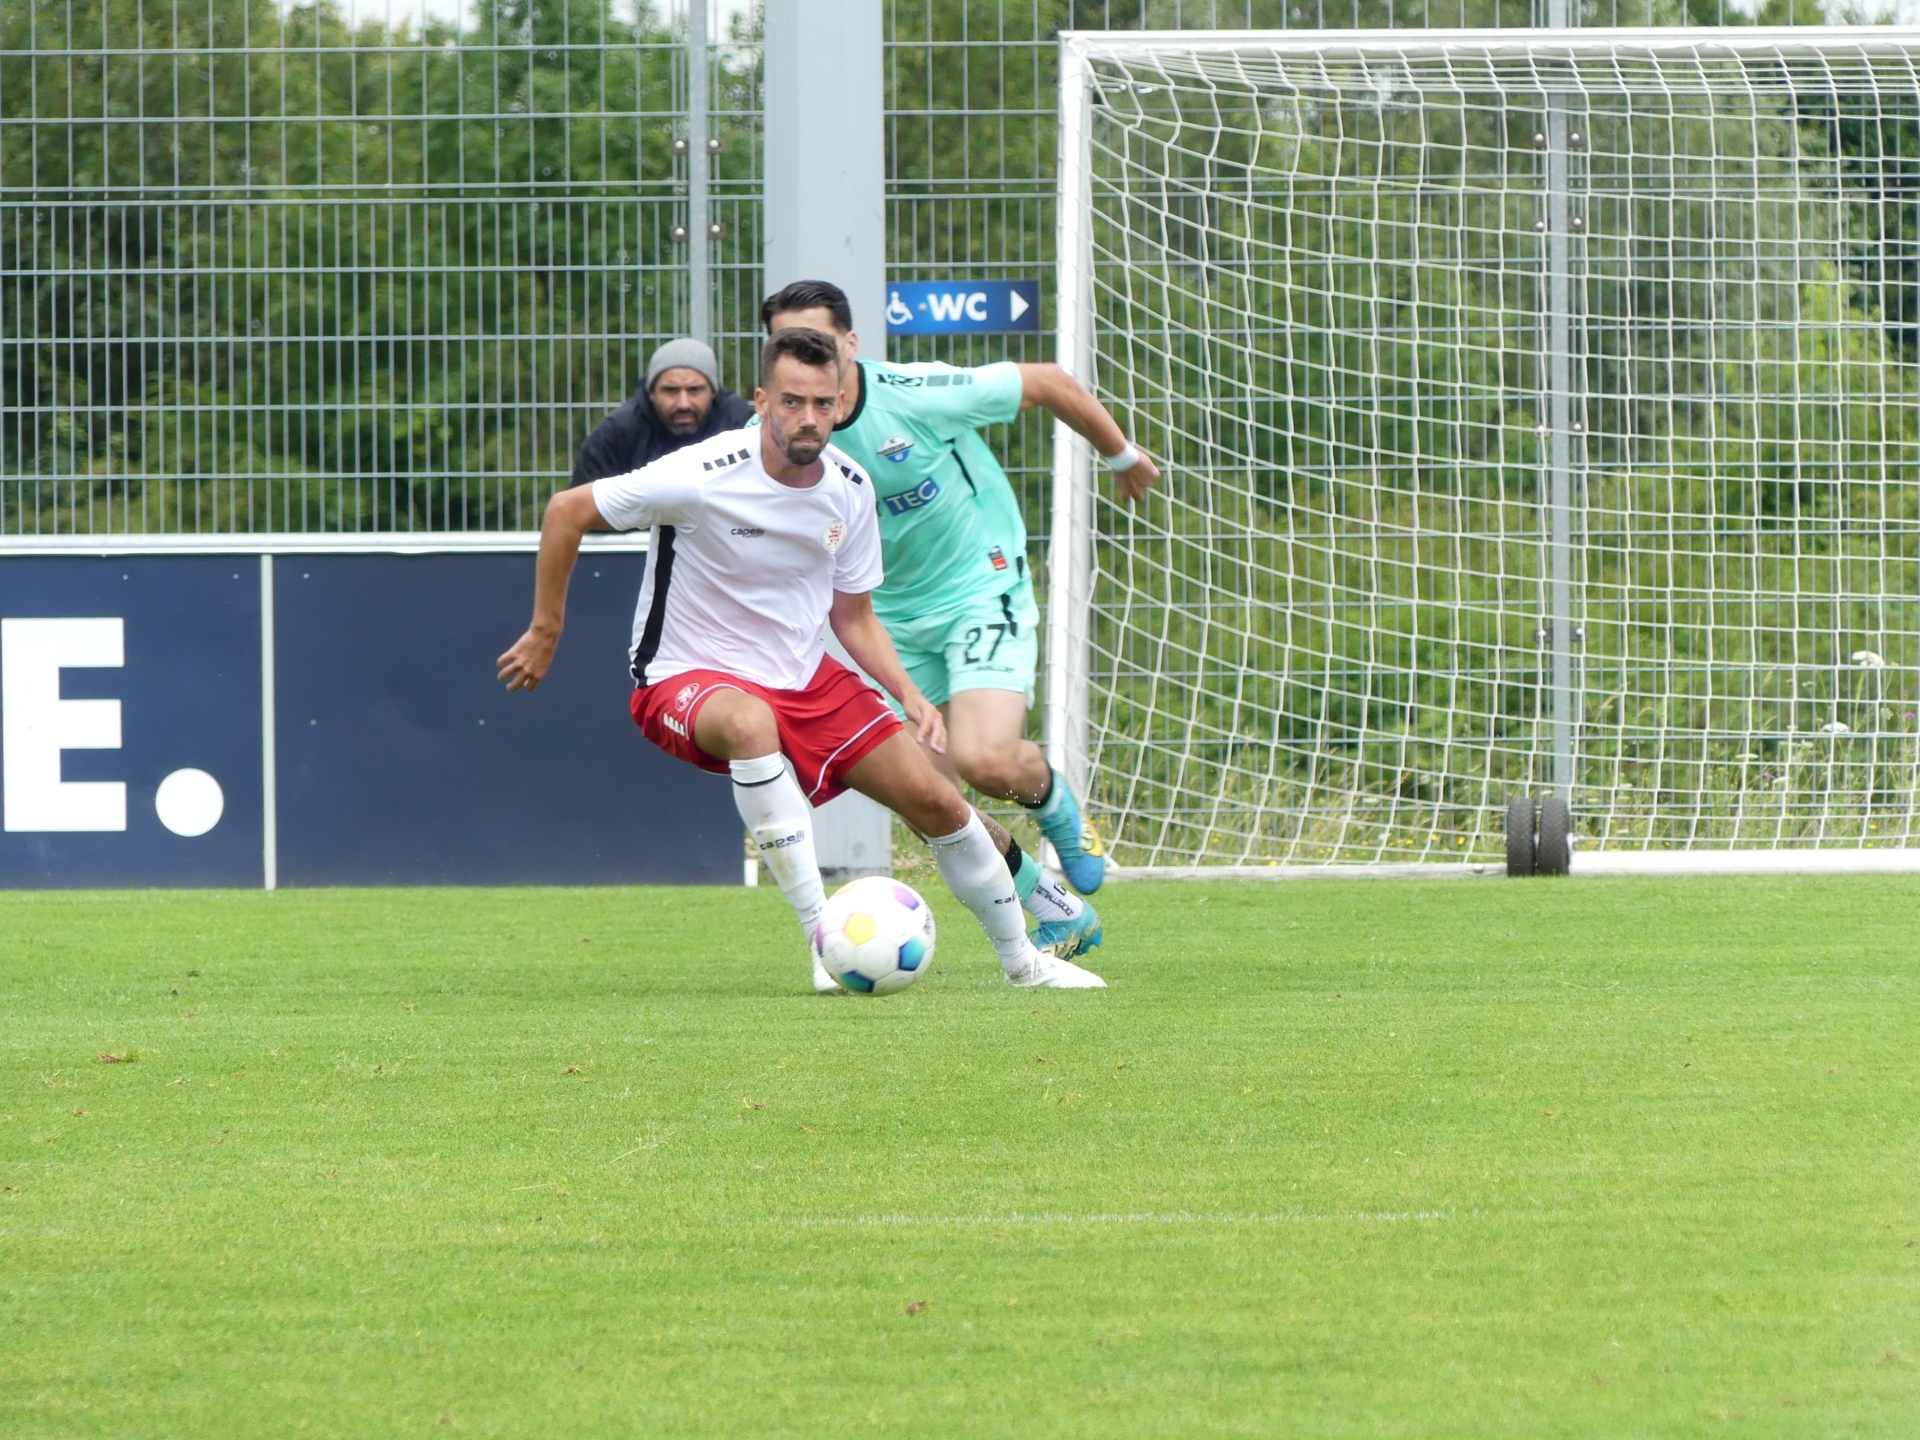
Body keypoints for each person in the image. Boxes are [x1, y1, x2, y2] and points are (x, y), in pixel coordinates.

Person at [497, 326, 1105, 992]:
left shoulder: (849, 487)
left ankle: (1024, 964)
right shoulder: (700, 474)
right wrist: (546, 629)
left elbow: (855, 617)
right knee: (749, 722)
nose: (807, 417)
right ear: (762, 402)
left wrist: (908, 693)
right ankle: (824, 941)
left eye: (821, 403)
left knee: (936, 801)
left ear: (840, 403)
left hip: (804, 677)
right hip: (684, 674)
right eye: (791, 402)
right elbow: (567, 511)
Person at [759, 280, 1160, 951]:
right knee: (929, 803)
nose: (807, 359)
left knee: (985, 759)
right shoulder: (769, 443)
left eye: (820, 343)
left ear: (851, 344)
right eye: (788, 346)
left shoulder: (916, 395)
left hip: (979, 583)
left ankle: (1052, 800)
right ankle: (1054, 905)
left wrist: (1121, 455)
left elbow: (1047, 382)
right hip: (884, 621)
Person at [571, 337, 755, 486]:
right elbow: (580, 505)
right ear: (651, 393)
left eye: (695, 390)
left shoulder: (740, 425)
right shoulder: (618, 433)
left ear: (713, 392)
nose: (683, 404)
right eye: (671, 390)